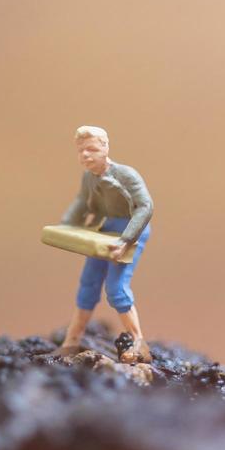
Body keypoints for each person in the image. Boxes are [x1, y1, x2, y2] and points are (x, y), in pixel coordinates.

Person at [56, 126, 155, 363]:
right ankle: (71, 341)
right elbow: (83, 202)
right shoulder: (89, 177)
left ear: (105, 148)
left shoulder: (126, 175)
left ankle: (140, 343)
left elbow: (145, 206)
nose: (86, 155)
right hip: (106, 229)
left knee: (116, 288)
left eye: (91, 149)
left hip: (131, 230)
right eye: (81, 151)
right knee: (88, 283)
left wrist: (126, 239)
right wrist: (66, 225)